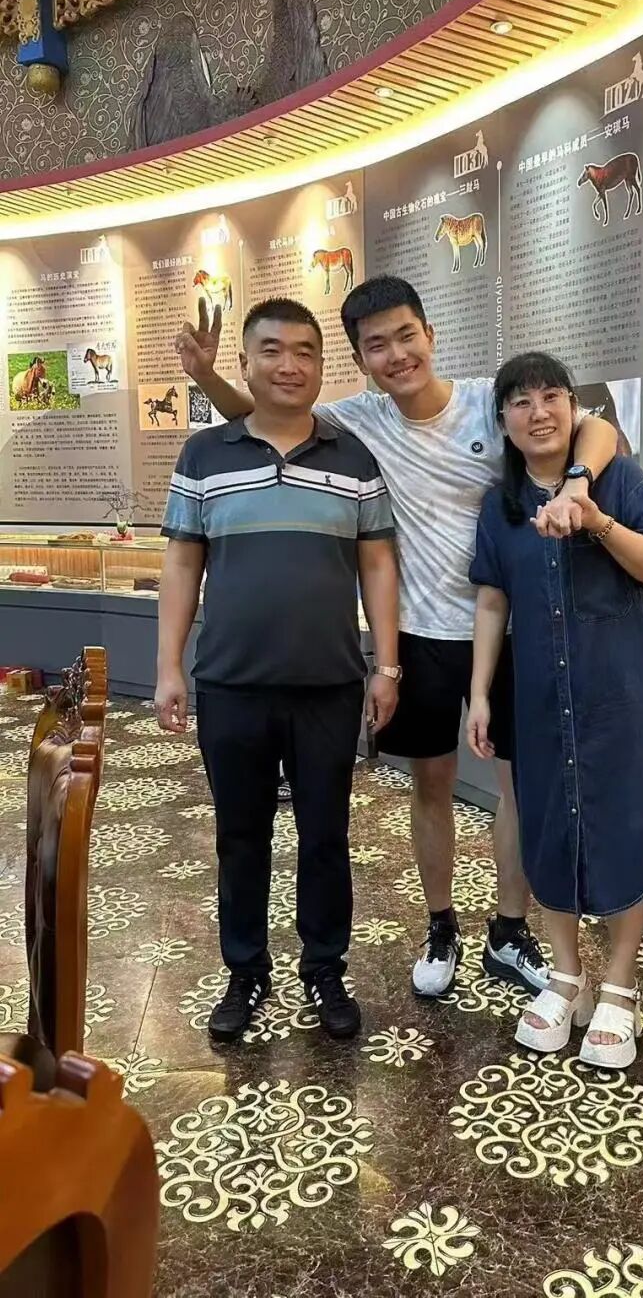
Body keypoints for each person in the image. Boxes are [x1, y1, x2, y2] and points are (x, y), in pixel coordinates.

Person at [176, 277, 619, 1000]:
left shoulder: (488, 401)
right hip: (418, 635)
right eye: (376, 345)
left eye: (406, 335)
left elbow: (596, 428)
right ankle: (441, 925)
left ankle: (510, 929)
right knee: (431, 784)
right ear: (359, 360)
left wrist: (576, 481)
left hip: (513, 632)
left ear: (430, 335)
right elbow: (266, 414)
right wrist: (205, 376)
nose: (397, 355)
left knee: (519, 787)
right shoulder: (358, 421)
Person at [157, 298, 400, 1043]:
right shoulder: (205, 455)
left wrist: (386, 666)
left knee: (326, 835)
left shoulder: (353, 457)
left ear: (322, 366)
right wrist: (169, 668)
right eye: (272, 350)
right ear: (246, 363)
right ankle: (245, 970)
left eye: (304, 352)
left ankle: (325, 968)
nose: (289, 365)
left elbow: (378, 564)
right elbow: (182, 563)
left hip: (330, 684)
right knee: (240, 836)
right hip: (231, 683)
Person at [466, 352, 643, 1070]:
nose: (538, 412)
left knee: (627, 828)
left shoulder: (620, 480)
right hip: (540, 700)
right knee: (550, 831)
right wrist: (480, 694)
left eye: (551, 396)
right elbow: (492, 601)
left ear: (573, 408)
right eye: (520, 401)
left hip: (621, 699)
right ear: (504, 420)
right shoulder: (501, 507)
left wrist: (597, 520)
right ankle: (566, 976)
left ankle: (621, 984)